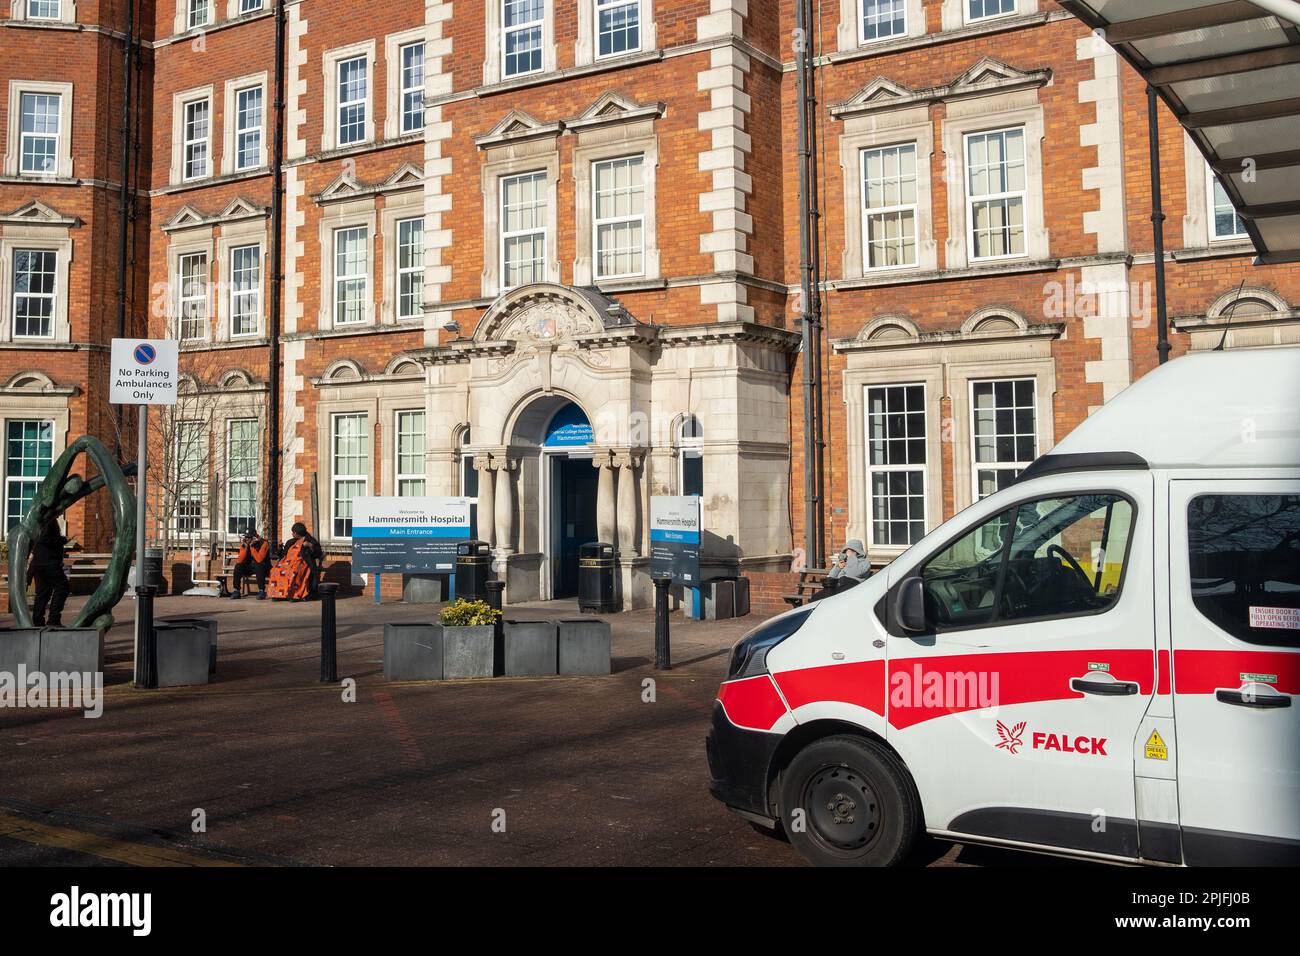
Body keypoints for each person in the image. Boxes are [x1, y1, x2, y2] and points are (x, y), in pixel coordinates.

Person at [28, 521, 72, 626]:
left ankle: (38, 620)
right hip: (48, 562)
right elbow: (45, 539)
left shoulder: (44, 520)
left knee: (43, 592)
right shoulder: (48, 521)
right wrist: (63, 540)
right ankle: (54, 619)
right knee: (62, 587)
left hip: (40, 562)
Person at [269, 522, 323, 601]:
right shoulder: (291, 542)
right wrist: (280, 549)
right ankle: (280, 594)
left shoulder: (310, 540)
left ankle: (296, 594)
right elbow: (284, 555)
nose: (292, 534)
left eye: (293, 532)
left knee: (294, 571)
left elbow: (318, 553)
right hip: (289, 563)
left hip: (304, 563)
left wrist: (311, 546)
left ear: (297, 533)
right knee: (275, 570)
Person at [230, 526, 272, 599]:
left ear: (255, 537)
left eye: (249, 537)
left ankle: (261, 591)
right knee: (238, 566)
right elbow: (239, 560)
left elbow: (259, 559)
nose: (247, 539)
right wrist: (245, 547)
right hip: (250, 567)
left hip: (264, 567)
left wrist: (252, 547)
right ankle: (236, 590)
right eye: (246, 537)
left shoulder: (264, 543)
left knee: (259, 565)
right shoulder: (244, 544)